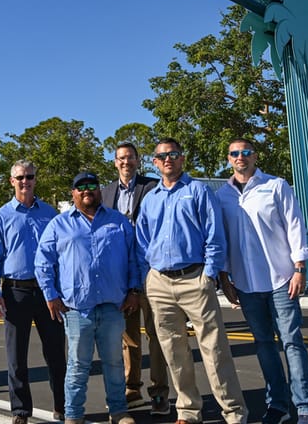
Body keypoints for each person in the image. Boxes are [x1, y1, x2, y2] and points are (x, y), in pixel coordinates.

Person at [135, 138, 247, 424]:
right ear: (155, 162)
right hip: (159, 282)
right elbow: (142, 242)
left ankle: (233, 412)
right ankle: (187, 410)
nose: (168, 159)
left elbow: (214, 234)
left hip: (194, 278)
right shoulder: (150, 199)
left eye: (173, 154)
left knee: (215, 349)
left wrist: (209, 274)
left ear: (182, 159)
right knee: (174, 351)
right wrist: (148, 277)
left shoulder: (197, 191)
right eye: (162, 156)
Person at [218, 139, 308, 424]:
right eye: (235, 153)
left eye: (246, 152)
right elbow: (222, 239)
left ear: (255, 155)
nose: (241, 157)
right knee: (264, 344)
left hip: (281, 278)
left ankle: (306, 406)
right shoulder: (222, 195)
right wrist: (224, 277)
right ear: (229, 159)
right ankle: (277, 404)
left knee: (292, 342)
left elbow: (294, 224)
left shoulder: (276, 186)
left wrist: (299, 267)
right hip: (246, 283)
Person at [36, 172, 139, 424]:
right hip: (76, 310)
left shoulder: (118, 221)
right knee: (77, 367)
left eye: (91, 186)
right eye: (80, 187)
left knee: (114, 364)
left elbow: (133, 258)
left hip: (112, 307)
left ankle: (118, 412)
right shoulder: (59, 225)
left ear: (99, 190)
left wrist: (134, 290)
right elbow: (42, 263)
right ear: (73, 193)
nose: (87, 190)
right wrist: (50, 294)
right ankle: (73, 414)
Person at [0, 160, 66, 424]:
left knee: (56, 352)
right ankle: (20, 411)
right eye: (20, 177)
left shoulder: (50, 213)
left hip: (47, 293)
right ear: (12, 181)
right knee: (16, 357)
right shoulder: (2, 216)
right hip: (15, 292)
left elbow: (61, 253)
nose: (25, 181)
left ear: (35, 179)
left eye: (29, 176)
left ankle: (62, 406)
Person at [100, 141, 169, 415]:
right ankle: (132, 389)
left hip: (151, 274)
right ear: (115, 163)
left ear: (138, 161)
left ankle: (160, 393)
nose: (125, 162)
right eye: (120, 158)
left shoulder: (153, 187)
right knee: (128, 339)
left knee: (157, 335)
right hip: (121, 278)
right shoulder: (106, 194)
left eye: (130, 157)